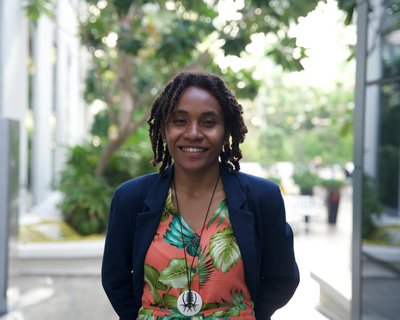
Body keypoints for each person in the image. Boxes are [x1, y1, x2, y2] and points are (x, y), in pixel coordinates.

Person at [102, 71, 299, 320]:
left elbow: (282, 277)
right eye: (180, 121)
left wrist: (246, 315)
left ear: (226, 130)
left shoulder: (263, 197)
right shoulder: (130, 199)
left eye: (208, 122)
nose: (193, 133)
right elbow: (114, 279)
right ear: (164, 129)